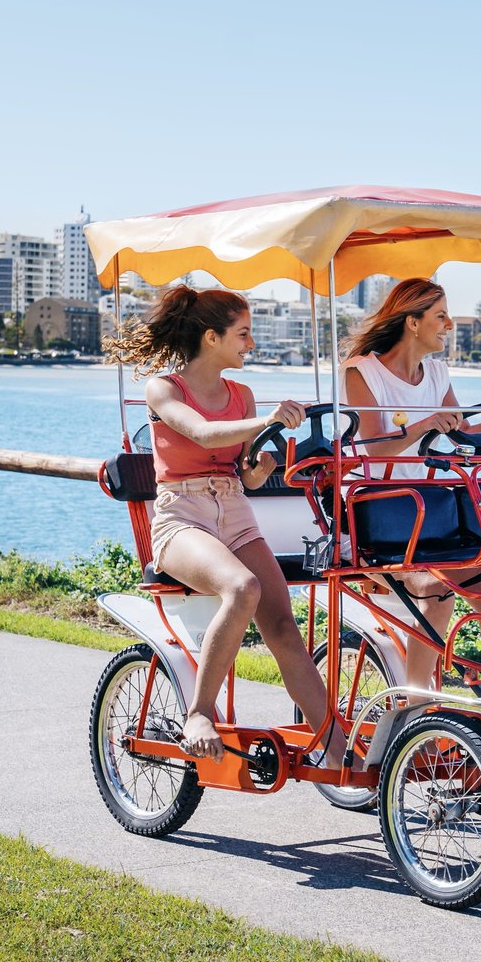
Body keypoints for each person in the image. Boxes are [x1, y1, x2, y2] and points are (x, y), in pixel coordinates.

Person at [105, 285, 340, 764]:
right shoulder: (165, 389)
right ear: (211, 338)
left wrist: (260, 467)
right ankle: (199, 713)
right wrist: (265, 421)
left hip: (234, 512)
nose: (250, 344)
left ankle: (342, 755)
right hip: (180, 519)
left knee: (283, 627)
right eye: (243, 334)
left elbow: (242, 470)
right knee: (242, 587)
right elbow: (202, 432)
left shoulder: (243, 395)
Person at [342, 277, 481, 691]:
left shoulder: (437, 372)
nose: (448, 324)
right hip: (378, 513)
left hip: (427, 512)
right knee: (436, 585)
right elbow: (374, 450)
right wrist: (424, 425)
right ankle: (416, 699)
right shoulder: (362, 372)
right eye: (440, 316)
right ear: (412, 322)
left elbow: (462, 433)